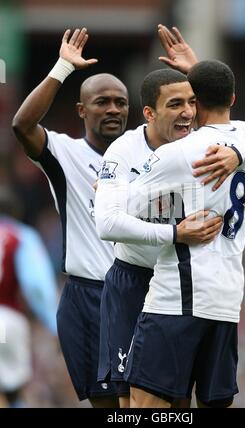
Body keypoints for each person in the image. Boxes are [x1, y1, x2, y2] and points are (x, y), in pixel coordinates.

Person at [116, 58, 245, 408]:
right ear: (233, 99)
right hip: (227, 300)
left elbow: (115, 214)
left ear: (194, 103)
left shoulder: (177, 153)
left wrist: (108, 187)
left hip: (177, 298)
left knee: (143, 407)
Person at [94, 67, 243, 408]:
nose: (188, 112)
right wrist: (175, 233)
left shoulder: (207, 145)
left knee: (183, 402)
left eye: (192, 102)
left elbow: (244, 129)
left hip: (187, 283)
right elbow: (107, 224)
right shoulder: (123, 152)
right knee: (134, 404)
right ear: (149, 113)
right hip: (135, 282)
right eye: (175, 104)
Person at [12, 28, 129, 408]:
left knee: (144, 401)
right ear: (82, 110)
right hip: (83, 296)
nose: (113, 109)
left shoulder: (148, 155)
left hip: (133, 293)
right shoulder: (65, 153)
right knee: (106, 405)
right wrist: (63, 67)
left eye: (120, 102)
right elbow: (22, 125)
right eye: (102, 102)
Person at [0, 186, 58, 408]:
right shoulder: (21, 235)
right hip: (6, 320)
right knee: (13, 393)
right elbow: (37, 286)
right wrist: (54, 324)